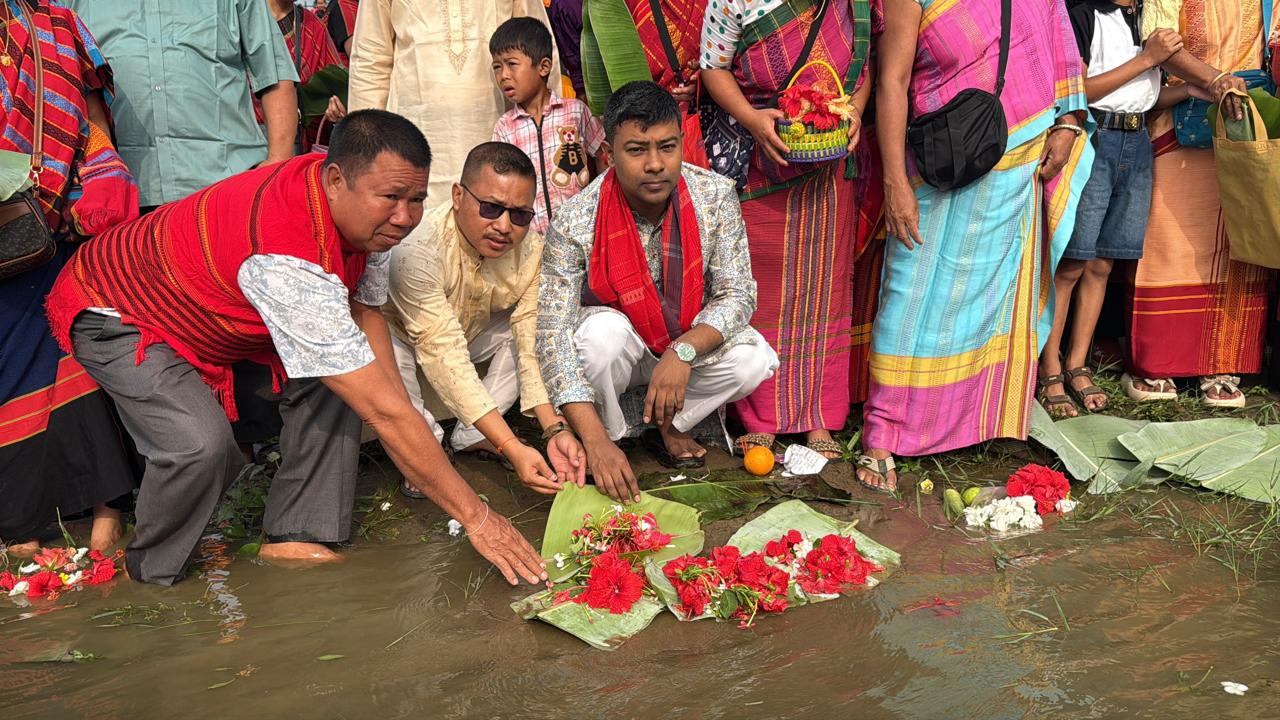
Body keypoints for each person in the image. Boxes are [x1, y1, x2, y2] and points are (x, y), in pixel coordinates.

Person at [45, 111, 547, 588]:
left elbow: (366, 323)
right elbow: (386, 411)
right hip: (120, 309)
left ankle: (296, 534)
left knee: (348, 380)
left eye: (416, 200)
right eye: (391, 197)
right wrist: (479, 518)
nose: (405, 217)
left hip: (213, 308)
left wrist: (404, 418)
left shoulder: (359, 216)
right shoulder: (287, 256)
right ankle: (148, 572)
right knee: (199, 445)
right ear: (335, 181)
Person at [859, 0, 1096, 491]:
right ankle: (884, 431)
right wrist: (896, 183)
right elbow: (891, 82)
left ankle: (979, 421)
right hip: (937, 162)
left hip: (1021, 156)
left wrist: (1069, 123)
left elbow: (1060, 50)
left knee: (999, 292)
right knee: (911, 297)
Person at [536, 81, 778, 499]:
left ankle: (671, 423)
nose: (655, 164)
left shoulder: (714, 196)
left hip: (684, 352)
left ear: (682, 144)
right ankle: (613, 438)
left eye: (667, 147)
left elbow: (739, 294)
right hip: (621, 358)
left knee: (755, 360)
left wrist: (682, 350)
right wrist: (593, 444)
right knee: (599, 337)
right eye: (636, 150)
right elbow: (552, 337)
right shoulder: (575, 220)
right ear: (609, 154)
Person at [700, 0, 877, 459]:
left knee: (824, 287)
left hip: (829, 163)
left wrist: (853, 111)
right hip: (761, 161)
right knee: (764, 291)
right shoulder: (732, 2)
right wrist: (753, 120)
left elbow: (863, 68)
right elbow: (713, 67)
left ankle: (820, 417)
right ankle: (759, 418)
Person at [0, 0, 139, 556]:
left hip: (45, 227)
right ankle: (24, 529)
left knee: (75, 368)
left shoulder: (56, 24)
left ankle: (106, 518)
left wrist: (102, 181)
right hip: (27, 228)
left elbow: (92, 124)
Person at [385, 141, 586, 497]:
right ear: (459, 196)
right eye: (492, 208)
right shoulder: (417, 248)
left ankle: (472, 435)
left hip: (469, 331)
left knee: (540, 333)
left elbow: (529, 344)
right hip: (403, 334)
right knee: (384, 346)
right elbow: (442, 353)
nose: (505, 227)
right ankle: (423, 449)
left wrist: (555, 430)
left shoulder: (533, 251)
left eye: (520, 214)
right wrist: (511, 445)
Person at [1040, 1, 1210, 417]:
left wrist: (1186, 90)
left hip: (1136, 145)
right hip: (1093, 136)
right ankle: (1049, 368)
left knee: (1103, 263)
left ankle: (1078, 363)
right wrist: (1149, 58)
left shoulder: (1145, 20)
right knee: (1071, 264)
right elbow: (1078, 91)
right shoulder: (1082, 15)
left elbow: (1143, 97)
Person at [1123, 0, 1269, 408]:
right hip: (1178, 116)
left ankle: (1222, 365)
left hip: (1248, 120)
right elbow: (1160, 41)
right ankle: (1154, 364)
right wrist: (1215, 79)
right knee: (1169, 241)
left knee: (1235, 240)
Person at [67, 0, 299, 209]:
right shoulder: (71, 4)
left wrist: (278, 162)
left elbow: (275, 75)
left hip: (229, 186)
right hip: (124, 196)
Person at [347, 0, 560, 207]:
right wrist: (364, 150)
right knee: (417, 224)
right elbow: (370, 58)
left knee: (498, 213)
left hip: (498, 129)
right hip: (415, 134)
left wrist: (551, 123)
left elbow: (539, 45)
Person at [490, 17, 605, 234]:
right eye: (497, 66)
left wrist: (602, 202)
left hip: (582, 231)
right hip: (533, 239)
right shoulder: (505, 127)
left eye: (512, 64)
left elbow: (602, 153)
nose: (503, 75)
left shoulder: (575, 111)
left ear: (543, 67)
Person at [257, 0, 347, 153]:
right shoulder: (238, 20)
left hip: (292, 147)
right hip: (237, 142)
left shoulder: (313, 28)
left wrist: (338, 111)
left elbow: (335, 90)